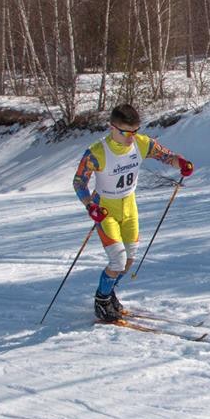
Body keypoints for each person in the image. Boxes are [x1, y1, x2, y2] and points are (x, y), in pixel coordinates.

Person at [73, 103, 194, 322]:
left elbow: (165, 155)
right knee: (118, 260)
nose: (131, 137)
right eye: (125, 132)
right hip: (106, 209)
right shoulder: (97, 152)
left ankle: (109, 295)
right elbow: (79, 182)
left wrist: (181, 163)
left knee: (128, 261)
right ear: (112, 128)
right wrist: (90, 206)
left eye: (134, 131)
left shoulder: (141, 143)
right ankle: (101, 300)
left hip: (129, 206)